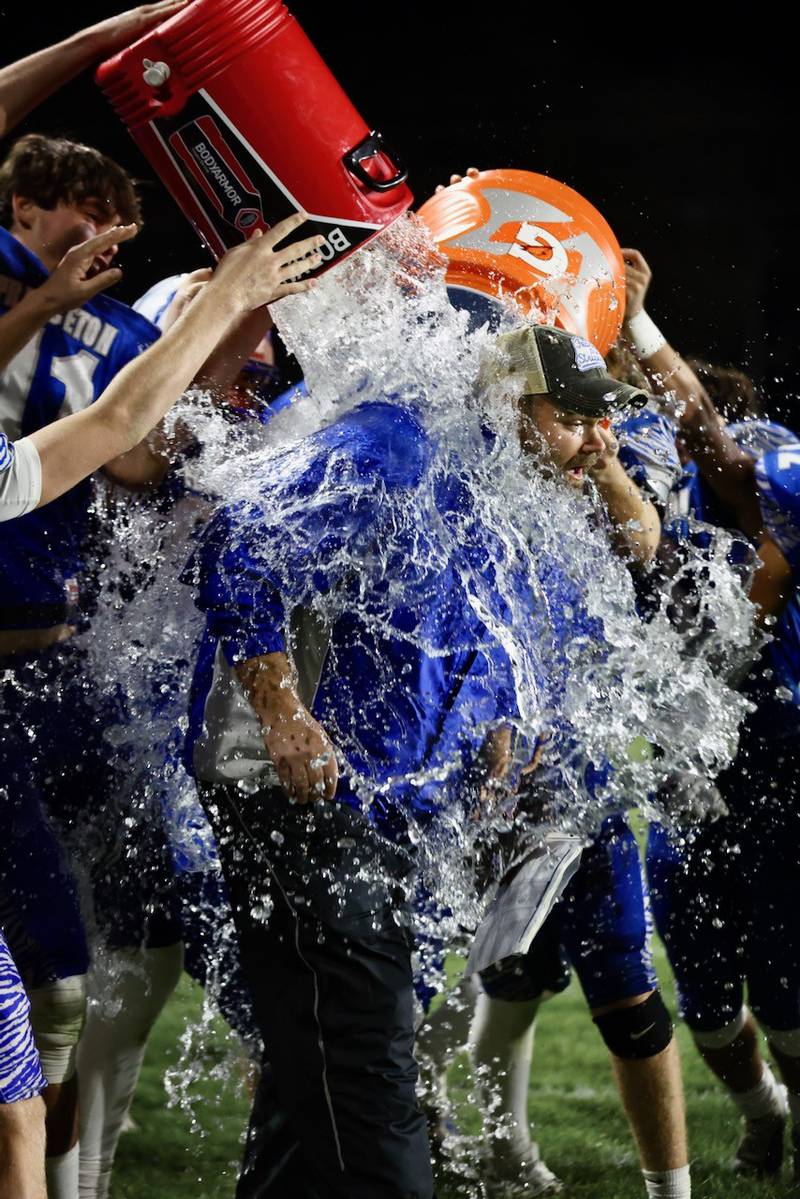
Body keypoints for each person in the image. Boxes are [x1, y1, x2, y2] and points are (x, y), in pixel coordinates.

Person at [180, 317, 648, 1198]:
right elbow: (238, 542)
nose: (598, 437)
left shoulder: (505, 473)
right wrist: (282, 710)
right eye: (576, 415)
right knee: (380, 1121)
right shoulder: (396, 441)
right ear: (511, 398)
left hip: (386, 813)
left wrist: (500, 716)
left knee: (312, 1096)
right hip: (305, 802)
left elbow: (462, 619)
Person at [0, 115, 321, 1198]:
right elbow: (124, 436)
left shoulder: (190, 376)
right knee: (77, 971)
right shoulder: (91, 319)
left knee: (128, 943)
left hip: (86, 681)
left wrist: (237, 317)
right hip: (41, 691)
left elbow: (130, 435)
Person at [622, 246, 800, 1182]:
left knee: (786, 982)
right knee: (702, 989)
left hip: (780, 755)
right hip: (691, 765)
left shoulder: (766, 454)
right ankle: (762, 1107)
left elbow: (719, 448)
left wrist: (641, 326)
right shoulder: (648, 482)